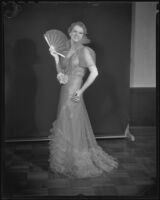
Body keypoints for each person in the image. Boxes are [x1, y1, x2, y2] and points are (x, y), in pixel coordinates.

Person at [48, 21, 118, 178]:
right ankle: (67, 161)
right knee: (66, 123)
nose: (76, 34)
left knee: (73, 123)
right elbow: (63, 77)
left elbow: (95, 73)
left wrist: (80, 91)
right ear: (70, 32)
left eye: (80, 32)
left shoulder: (85, 51)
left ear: (83, 35)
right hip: (65, 91)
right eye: (74, 31)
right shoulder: (67, 51)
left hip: (74, 93)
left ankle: (78, 161)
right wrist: (55, 58)